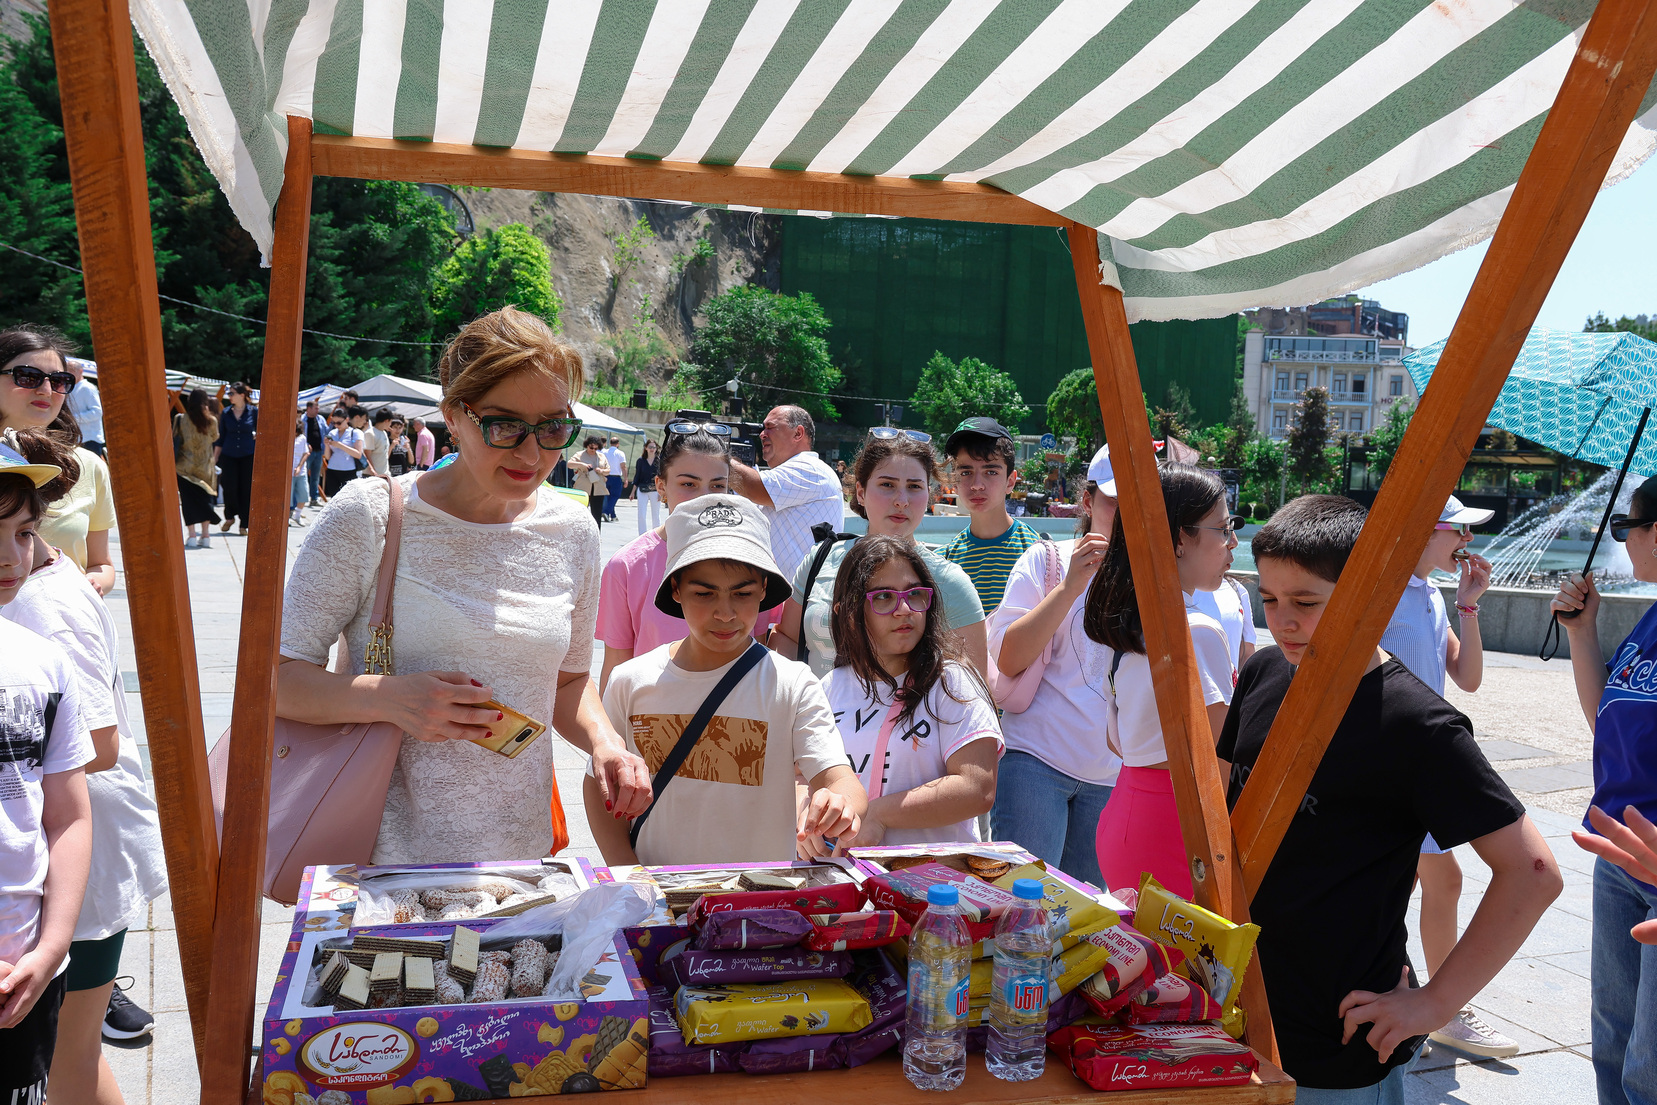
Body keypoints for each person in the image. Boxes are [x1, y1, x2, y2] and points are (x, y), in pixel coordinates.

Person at [276, 307, 651, 863]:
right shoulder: (372, 515)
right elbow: (274, 681)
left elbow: (569, 682)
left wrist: (605, 742)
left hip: (519, 859)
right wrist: (390, 699)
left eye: (553, 428)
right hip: (380, 860)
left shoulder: (573, 531)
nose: (532, 454)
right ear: (453, 416)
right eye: (505, 426)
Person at [1226, 495, 1559, 1103]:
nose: (1282, 622)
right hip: (1233, 1016)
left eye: (1305, 602)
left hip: (1341, 1039)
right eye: (1268, 599)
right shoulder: (1263, 672)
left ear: (1368, 595)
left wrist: (1435, 1003)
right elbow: (1220, 819)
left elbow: (1533, 872)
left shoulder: (1416, 724)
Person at [5, 430, 165, 1102]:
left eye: (21, 531)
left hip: (81, 863)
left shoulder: (41, 608)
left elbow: (99, 741)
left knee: (71, 1048)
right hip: (69, 858)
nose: (9, 553)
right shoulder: (42, 582)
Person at [591, 493, 865, 865]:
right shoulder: (630, 682)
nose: (725, 613)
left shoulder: (793, 684)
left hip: (760, 893)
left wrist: (841, 804)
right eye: (704, 593)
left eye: (743, 594)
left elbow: (839, 778)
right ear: (676, 589)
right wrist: (627, 872)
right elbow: (598, 783)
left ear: (764, 589)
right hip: (655, 891)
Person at [1377, 495, 1509, 1060]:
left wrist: (1468, 607)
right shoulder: (1384, 592)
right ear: (1425, 531)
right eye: (1459, 530)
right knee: (1441, 881)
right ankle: (1442, 1009)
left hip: (1422, 762)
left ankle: (1410, 996)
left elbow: (1468, 677)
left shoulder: (1429, 593)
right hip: (1392, 764)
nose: (1466, 541)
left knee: (1407, 884)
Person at [1551, 478, 1657, 1105]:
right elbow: (1606, 722)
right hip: (1617, 855)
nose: (1621, 541)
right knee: (1613, 1042)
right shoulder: (1651, 618)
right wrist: (1582, 632)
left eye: (1626, 527)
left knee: (1650, 1066)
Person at [1085, 462, 1237, 900]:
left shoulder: (1132, 625)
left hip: (1127, 812)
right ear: (1179, 539)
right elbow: (1222, 759)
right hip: (1177, 826)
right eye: (1223, 528)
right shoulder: (1196, 631)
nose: (1232, 542)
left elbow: (1117, 741)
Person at [0, 442, 94, 1105]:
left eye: (23, 533)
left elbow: (69, 816)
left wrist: (52, 946)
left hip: (27, 969)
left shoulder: (42, 660)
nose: (11, 556)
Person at [986, 444, 1119, 889]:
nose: (1125, 515)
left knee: (1088, 920)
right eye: (1114, 502)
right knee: (1022, 906)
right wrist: (1069, 588)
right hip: (1035, 762)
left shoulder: (1158, 579)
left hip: (1112, 776)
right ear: (1088, 501)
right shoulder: (1047, 560)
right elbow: (1008, 657)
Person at [824, 535, 1001, 847]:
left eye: (915, 594)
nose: (904, 609)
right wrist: (807, 816)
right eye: (883, 597)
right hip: (843, 871)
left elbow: (978, 788)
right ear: (848, 613)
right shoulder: (828, 688)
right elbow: (799, 776)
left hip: (934, 876)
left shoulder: (952, 682)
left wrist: (878, 815)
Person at [768, 430, 987, 679]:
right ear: (860, 493)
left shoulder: (950, 582)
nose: (902, 501)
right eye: (887, 485)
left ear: (928, 495)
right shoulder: (821, 559)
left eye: (914, 487)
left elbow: (972, 688)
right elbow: (786, 638)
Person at [598, 426, 729, 692]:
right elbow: (615, 669)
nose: (705, 497)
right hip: (649, 714)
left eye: (717, 485)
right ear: (661, 486)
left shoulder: (753, 563)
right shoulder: (627, 566)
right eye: (688, 484)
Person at [0, 328, 117, 595]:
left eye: (59, 381)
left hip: (57, 616)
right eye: (28, 377)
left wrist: (93, 583)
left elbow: (101, 564)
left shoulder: (88, 465)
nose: (46, 390)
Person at [938, 417, 1040, 615]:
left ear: (1010, 481)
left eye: (991, 472)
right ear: (954, 481)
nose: (977, 485)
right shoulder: (944, 560)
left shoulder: (1036, 554)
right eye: (966, 472)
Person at [729, 405, 843, 579]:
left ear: (798, 433)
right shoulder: (787, 477)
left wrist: (712, 453)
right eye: (763, 428)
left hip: (798, 594)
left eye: (770, 427)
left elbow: (753, 487)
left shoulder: (810, 468)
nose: (762, 434)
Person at [175, 389, 220, 548]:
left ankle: (192, 535)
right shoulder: (211, 421)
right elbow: (215, 437)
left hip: (184, 467)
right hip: (205, 468)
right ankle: (206, 535)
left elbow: (175, 437)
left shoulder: (181, 419)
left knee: (188, 501)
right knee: (205, 501)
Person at [214, 382, 257, 535]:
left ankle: (244, 524)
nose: (229, 396)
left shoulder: (254, 412)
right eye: (229, 393)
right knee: (229, 487)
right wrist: (214, 458)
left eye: (232, 393)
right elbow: (221, 438)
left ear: (242, 395)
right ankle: (230, 517)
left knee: (246, 489)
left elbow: (261, 433)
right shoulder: (226, 413)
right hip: (229, 455)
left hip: (248, 455)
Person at [321, 407, 363, 500]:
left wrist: (340, 445)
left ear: (347, 420)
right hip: (332, 469)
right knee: (334, 499)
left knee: (348, 499)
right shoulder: (332, 433)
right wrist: (327, 445)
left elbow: (358, 454)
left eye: (339, 423)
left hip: (348, 470)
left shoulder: (355, 433)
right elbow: (327, 457)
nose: (336, 425)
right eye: (333, 423)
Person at [63, 360, 104, 457]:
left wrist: (73, 418)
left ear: (81, 371)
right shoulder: (70, 388)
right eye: (67, 370)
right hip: (76, 438)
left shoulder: (88, 388)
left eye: (72, 370)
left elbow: (97, 412)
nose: (69, 373)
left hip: (90, 438)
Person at [567, 436, 611, 527]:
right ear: (587, 445)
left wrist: (601, 471)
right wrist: (582, 465)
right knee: (580, 513)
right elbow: (569, 464)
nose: (593, 450)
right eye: (591, 448)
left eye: (596, 448)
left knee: (597, 514)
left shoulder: (601, 456)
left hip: (598, 488)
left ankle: (597, 533)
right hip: (583, 487)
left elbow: (608, 471)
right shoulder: (579, 454)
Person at [302, 400, 327, 506]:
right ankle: (302, 499)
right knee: (303, 475)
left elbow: (326, 431)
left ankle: (314, 498)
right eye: (315, 408)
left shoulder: (320, 419)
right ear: (309, 409)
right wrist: (306, 444)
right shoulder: (302, 419)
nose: (317, 410)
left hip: (319, 451)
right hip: (307, 453)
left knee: (316, 476)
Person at [633, 438, 661, 534]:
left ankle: (656, 534)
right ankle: (642, 534)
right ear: (646, 448)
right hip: (642, 489)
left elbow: (662, 477)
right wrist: (632, 491)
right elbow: (637, 476)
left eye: (654, 447)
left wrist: (662, 492)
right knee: (641, 514)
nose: (652, 449)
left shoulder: (659, 461)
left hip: (655, 490)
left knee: (656, 514)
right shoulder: (641, 461)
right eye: (650, 447)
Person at [290, 419, 311, 527]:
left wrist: (299, 467)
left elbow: (306, 453)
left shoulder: (302, 438)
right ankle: (287, 516)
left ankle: (297, 515)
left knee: (304, 493)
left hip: (301, 471)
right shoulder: (287, 437)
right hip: (288, 472)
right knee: (288, 496)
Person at [603, 436, 628, 522]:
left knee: (608, 496)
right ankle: (606, 512)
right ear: (618, 444)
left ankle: (613, 515)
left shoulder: (605, 452)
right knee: (615, 496)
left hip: (606, 476)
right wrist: (626, 478)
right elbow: (623, 467)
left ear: (610, 443)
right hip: (616, 477)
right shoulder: (620, 453)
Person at [363, 407, 393, 478]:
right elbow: (367, 454)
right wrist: (373, 471)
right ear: (386, 421)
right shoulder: (370, 433)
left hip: (384, 473)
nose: (390, 424)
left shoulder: (384, 432)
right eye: (390, 422)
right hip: (371, 475)